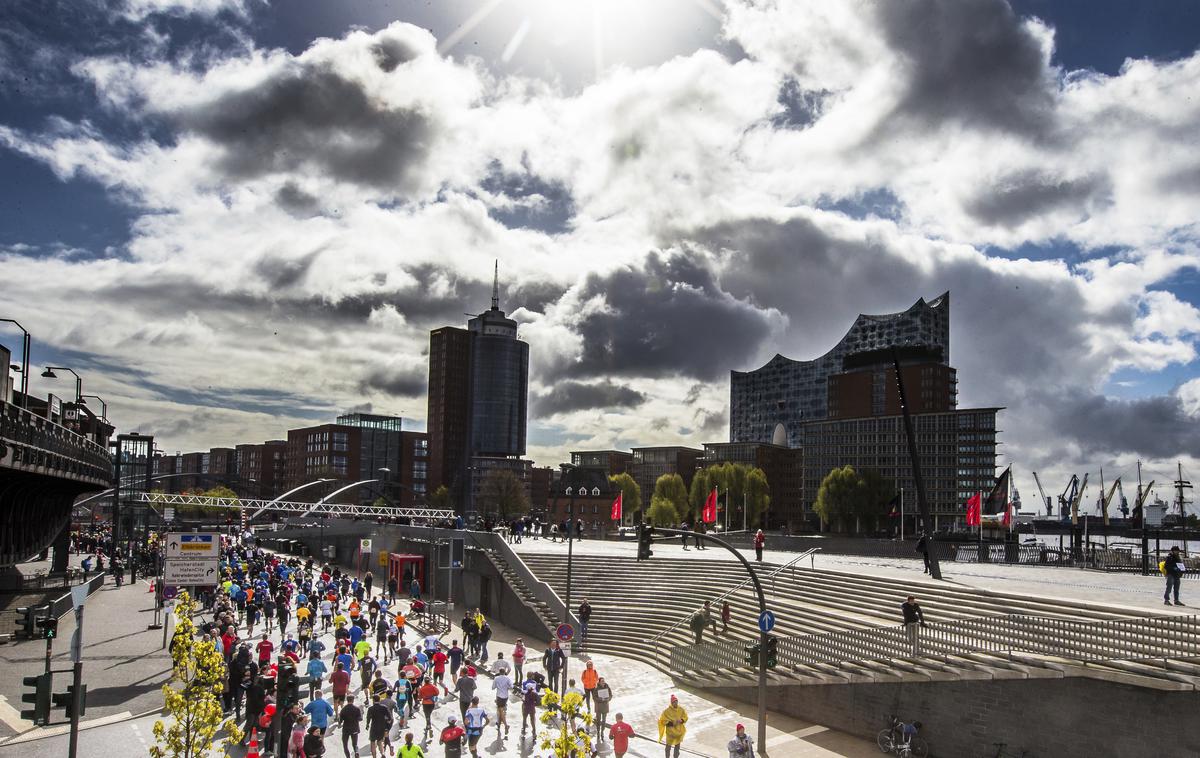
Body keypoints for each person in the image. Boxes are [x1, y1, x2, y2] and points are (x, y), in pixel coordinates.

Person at [366, 694, 392, 758]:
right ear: (379, 699)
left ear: (373, 700)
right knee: (380, 742)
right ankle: (383, 753)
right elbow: (389, 717)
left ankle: (374, 756)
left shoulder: (371, 708)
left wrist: (367, 725)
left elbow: (368, 718)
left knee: (372, 743)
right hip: (382, 727)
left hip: (374, 727)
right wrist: (388, 721)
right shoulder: (384, 707)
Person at [492, 667, 512, 739]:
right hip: (505, 697)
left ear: (499, 672)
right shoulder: (507, 678)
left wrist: (498, 686)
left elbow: (493, 687)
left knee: (500, 711)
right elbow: (511, 686)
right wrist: (506, 687)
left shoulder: (496, 678)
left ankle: (506, 725)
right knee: (501, 710)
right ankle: (499, 724)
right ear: (504, 672)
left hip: (499, 696)